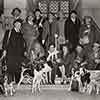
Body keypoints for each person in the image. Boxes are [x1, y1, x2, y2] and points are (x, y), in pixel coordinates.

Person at [2, 19, 26, 96]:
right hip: (10, 55)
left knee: (16, 70)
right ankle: (7, 89)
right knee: (9, 71)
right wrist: (4, 50)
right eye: (17, 24)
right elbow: (5, 42)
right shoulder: (9, 32)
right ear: (14, 24)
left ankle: (12, 88)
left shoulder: (20, 34)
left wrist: (24, 51)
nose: (19, 25)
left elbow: (23, 45)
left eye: (20, 24)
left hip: (18, 56)